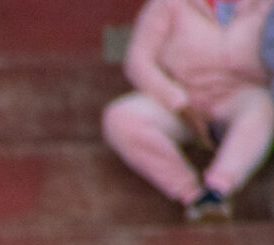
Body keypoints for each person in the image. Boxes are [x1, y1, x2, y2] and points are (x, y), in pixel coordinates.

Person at [103, 0, 274, 221]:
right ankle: (193, 196)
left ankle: (218, 189)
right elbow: (138, 61)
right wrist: (180, 104)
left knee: (263, 107)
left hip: (239, 96)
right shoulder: (168, 4)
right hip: (182, 98)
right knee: (121, 116)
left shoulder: (265, 5)